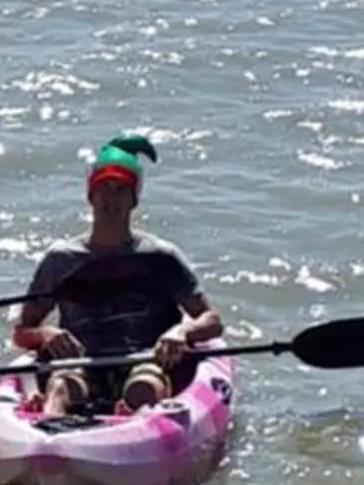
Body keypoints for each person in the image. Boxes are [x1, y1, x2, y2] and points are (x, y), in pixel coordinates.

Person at [12, 135, 223, 419]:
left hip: (146, 361)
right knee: (61, 387)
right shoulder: (60, 260)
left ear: (134, 199)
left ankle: (137, 435)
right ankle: (50, 442)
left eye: (121, 189)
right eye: (104, 188)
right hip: (82, 363)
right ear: (91, 196)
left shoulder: (161, 257)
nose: (111, 198)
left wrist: (181, 331)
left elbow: (212, 320)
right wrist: (46, 334)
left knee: (142, 388)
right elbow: (22, 332)